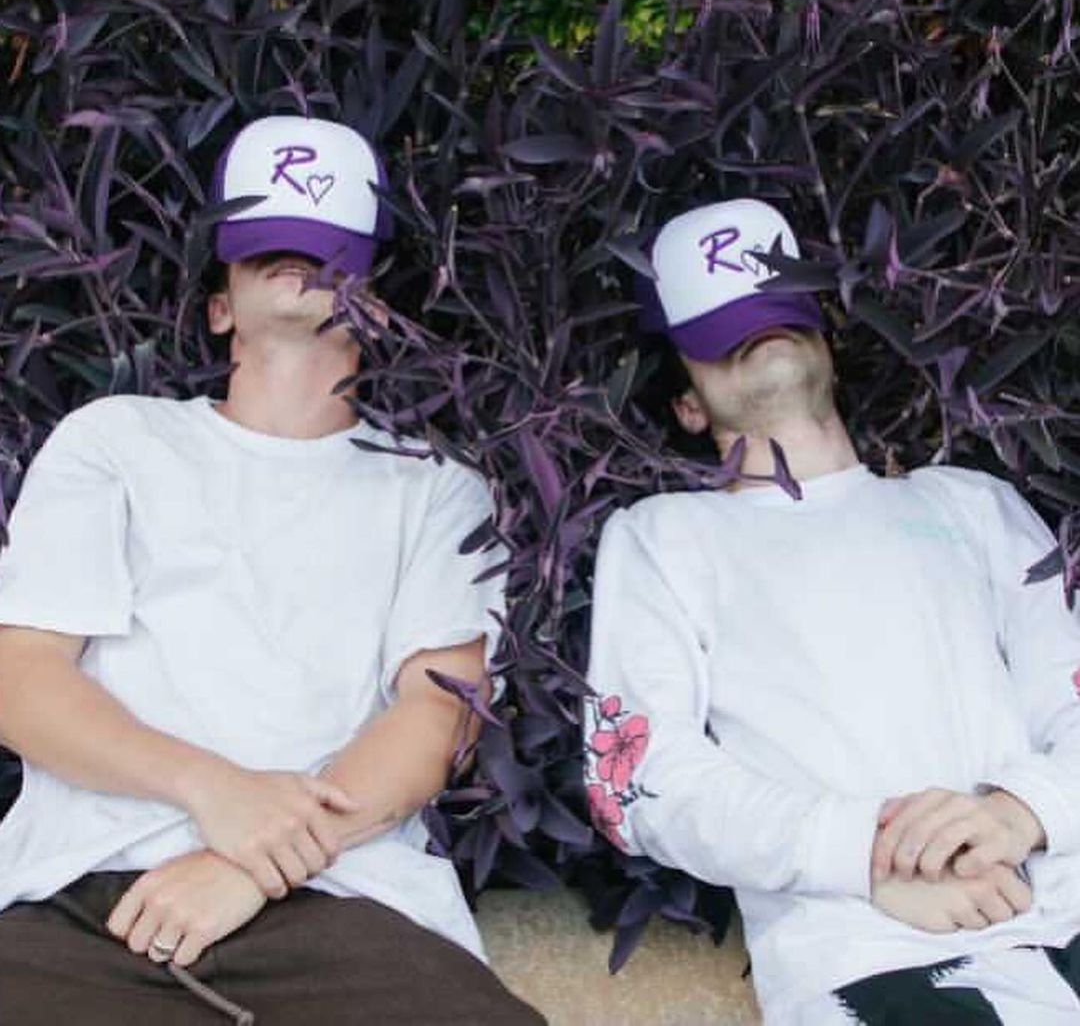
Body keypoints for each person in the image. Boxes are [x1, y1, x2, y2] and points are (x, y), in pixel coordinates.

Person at [0, 115, 543, 1025]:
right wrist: (213, 789)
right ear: (219, 306)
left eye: (329, 252)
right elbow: (20, 677)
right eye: (268, 249)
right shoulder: (114, 440)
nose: (299, 266)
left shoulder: (437, 488)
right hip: (88, 894)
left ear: (375, 307)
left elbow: (438, 712)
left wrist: (252, 863)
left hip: (346, 902)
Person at [584, 197, 1080, 1026]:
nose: (761, 334)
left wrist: (1018, 811)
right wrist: (865, 852)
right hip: (870, 953)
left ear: (829, 348)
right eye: (725, 333)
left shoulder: (969, 502)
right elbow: (635, 778)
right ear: (687, 404)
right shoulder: (666, 535)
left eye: (779, 313)